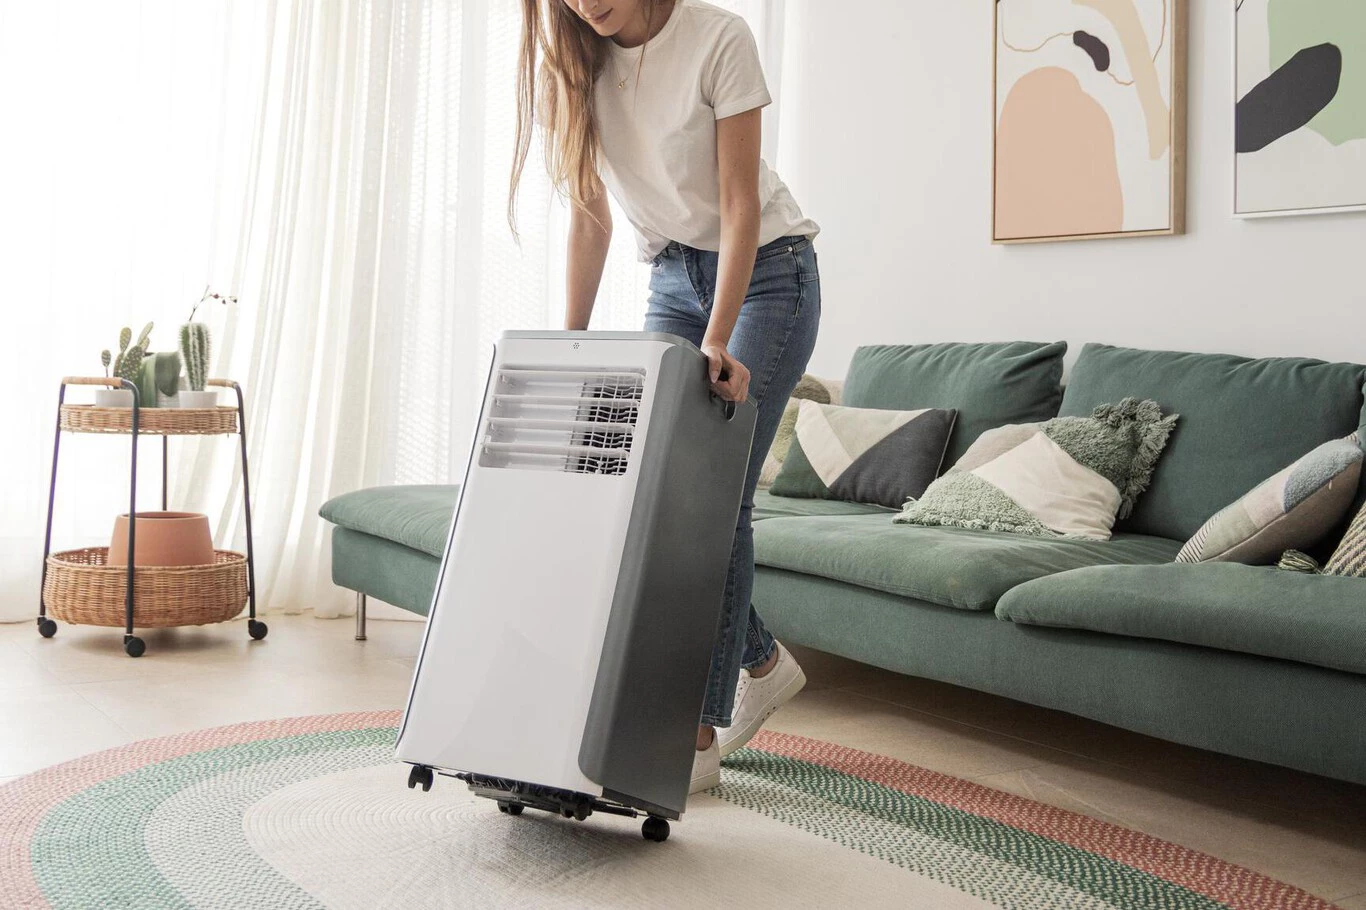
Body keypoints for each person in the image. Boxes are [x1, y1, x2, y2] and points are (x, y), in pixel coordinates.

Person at [513, 0, 820, 793]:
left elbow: (741, 202)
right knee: (649, 502)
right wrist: (571, 345)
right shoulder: (572, 68)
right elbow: (590, 218)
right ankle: (761, 660)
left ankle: (696, 732)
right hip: (672, 276)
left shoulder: (718, 38)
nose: (584, 2)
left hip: (768, 275)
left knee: (715, 499)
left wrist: (718, 338)